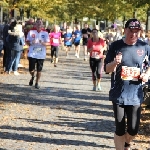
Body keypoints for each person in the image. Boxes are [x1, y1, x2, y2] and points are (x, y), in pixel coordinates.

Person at [104, 18, 150, 150]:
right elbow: (107, 69)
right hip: (118, 93)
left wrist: (146, 74)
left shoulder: (144, 47)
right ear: (125, 30)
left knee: (133, 129)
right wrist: (115, 63)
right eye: (131, 31)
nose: (134, 34)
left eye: (137, 31)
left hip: (136, 94)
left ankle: (127, 142)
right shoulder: (116, 46)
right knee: (119, 129)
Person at [26, 18, 50, 89]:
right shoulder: (31, 32)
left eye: (40, 23)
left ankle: (37, 83)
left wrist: (43, 43)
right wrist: (31, 42)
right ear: (35, 25)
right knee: (31, 69)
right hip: (32, 53)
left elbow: (48, 43)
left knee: (39, 70)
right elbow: (27, 41)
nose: (39, 24)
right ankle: (33, 76)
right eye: (38, 23)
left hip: (41, 54)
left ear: (42, 25)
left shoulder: (45, 33)